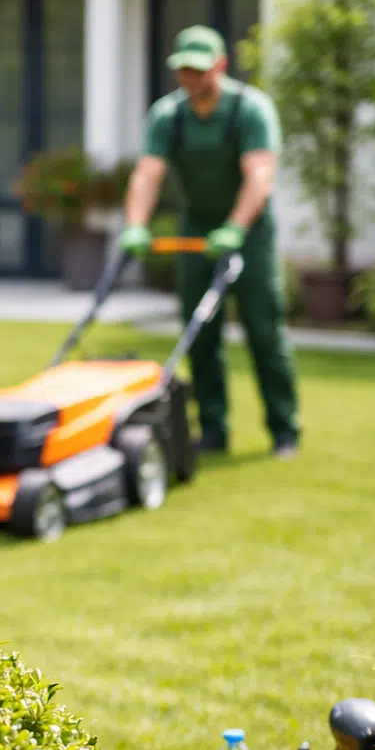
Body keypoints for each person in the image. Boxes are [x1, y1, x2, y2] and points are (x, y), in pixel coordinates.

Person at [117, 24, 300, 458]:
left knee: (263, 329)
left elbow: (260, 176)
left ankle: (284, 430)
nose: (191, 78)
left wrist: (236, 227)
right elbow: (147, 174)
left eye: (199, 70)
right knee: (200, 333)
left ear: (220, 65)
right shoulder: (168, 115)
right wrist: (136, 224)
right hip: (196, 229)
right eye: (183, 70)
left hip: (249, 233)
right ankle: (214, 430)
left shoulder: (250, 109)